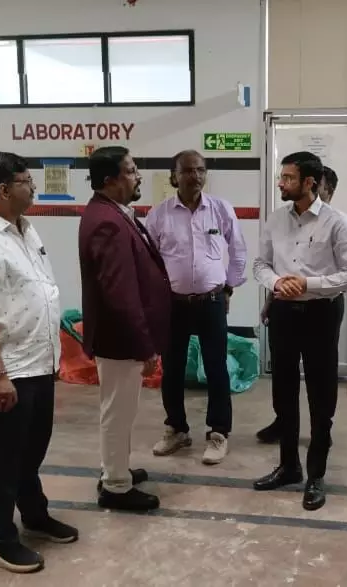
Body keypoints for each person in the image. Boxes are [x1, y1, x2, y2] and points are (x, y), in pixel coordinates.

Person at [0, 152, 77, 574]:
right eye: (26, 181)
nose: (34, 187)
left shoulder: (24, 228)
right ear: (3, 189)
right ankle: (0, 539)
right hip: (7, 370)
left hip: (38, 362)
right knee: (2, 457)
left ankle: (34, 515)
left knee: (32, 449)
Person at [251, 151, 347, 511]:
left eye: (288, 178)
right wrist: (276, 282)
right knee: (283, 393)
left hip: (320, 314)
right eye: (281, 177)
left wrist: (308, 284)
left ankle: (316, 474)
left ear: (309, 182)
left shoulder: (337, 223)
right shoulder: (275, 219)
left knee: (321, 395)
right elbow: (260, 264)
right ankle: (289, 466)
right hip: (283, 312)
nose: (281, 183)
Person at [79, 146, 171, 511]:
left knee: (119, 412)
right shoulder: (107, 221)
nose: (138, 177)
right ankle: (116, 487)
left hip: (119, 338)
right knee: (118, 413)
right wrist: (143, 345)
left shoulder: (113, 213)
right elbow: (120, 293)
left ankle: (115, 469)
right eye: (130, 171)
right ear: (109, 180)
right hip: (119, 340)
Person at [144, 150, 247, 465]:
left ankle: (218, 432)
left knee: (217, 368)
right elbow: (149, 262)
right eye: (188, 171)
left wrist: (229, 287)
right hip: (173, 305)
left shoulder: (220, 209)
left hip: (211, 302)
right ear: (174, 176)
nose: (196, 176)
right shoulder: (159, 215)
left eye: (200, 170)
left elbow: (238, 250)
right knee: (172, 369)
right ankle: (176, 429)